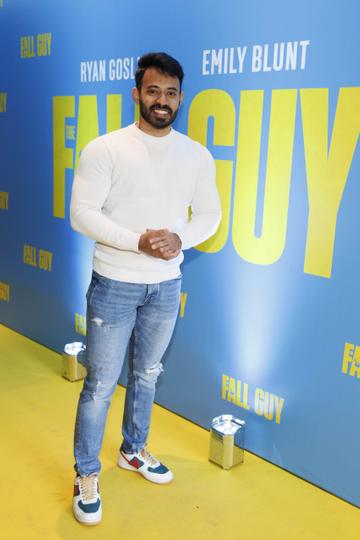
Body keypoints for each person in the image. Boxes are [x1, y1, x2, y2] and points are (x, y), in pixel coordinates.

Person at [70, 51, 221, 525]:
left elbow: (211, 216)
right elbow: (82, 214)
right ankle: (86, 473)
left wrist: (181, 239)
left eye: (171, 93)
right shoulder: (106, 148)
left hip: (166, 286)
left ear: (181, 98)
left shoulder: (196, 155)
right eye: (153, 91)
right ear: (137, 93)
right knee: (98, 385)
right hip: (114, 283)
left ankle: (133, 451)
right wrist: (137, 241)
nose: (162, 100)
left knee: (148, 374)